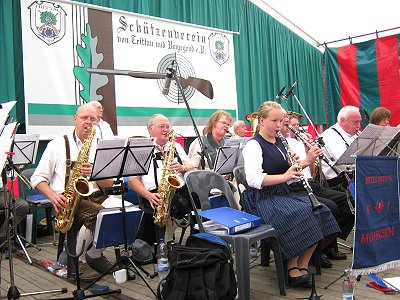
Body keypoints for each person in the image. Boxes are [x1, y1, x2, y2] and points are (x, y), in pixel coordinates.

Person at [241, 101, 340, 288]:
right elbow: (253, 179)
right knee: (300, 214)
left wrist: (307, 161)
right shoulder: (253, 145)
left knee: (321, 211)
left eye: (282, 121)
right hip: (262, 198)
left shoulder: (280, 142)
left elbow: (291, 171)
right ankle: (291, 266)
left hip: (282, 193)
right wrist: (285, 176)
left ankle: (302, 265)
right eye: (274, 121)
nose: (279, 126)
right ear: (261, 120)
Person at [31, 104, 129, 281]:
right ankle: (77, 259)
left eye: (93, 119)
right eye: (85, 118)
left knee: (126, 211)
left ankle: (94, 254)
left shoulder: (100, 146)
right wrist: (53, 196)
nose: (89, 123)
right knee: (100, 216)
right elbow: (37, 179)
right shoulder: (57, 144)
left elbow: (108, 183)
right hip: (67, 199)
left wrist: (95, 173)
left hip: (96, 195)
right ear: (75, 119)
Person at [287, 116, 354, 266]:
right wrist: (308, 159)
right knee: (331, 207)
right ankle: (317, 251)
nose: (296, 128)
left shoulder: (298, 142)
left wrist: (308, 153)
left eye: (298, 125)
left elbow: (310, 171)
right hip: (296, 186)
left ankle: (327, 244)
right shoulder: (284, 144)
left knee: (349, 201)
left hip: (311, 183)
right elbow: (292, 171)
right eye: (292, 125)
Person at [128, 114, 195, 246]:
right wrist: (149, 196)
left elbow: (191, 167)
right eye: (161, 126)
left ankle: (196, 240)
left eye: (167, 126)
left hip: (177, 188)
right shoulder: (142, 149)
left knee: (199, 198)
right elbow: (132, 181)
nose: (166, 129)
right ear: (150, 129)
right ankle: (167, 241)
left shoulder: (175, 146)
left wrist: (182, 167)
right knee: (179, 204)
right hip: (154, 192)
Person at [321, 106, 361, 188]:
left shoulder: (353, 135)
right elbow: (344, 164)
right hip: (338, 182)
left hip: (351, 177)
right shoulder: (330, 135)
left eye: (359, 122)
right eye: (355, 122)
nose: (359, 126)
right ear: (343, 121)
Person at [0, 170, 29, 243]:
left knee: (23, 206)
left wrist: (9, 169)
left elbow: (11, 178)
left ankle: (2, 237)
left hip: (1, 192)